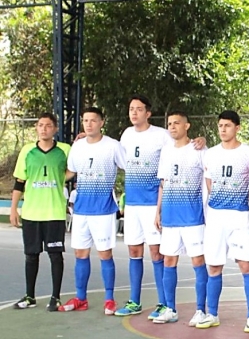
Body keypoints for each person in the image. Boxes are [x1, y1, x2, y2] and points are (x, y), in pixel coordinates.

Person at [115, 95, 204, 319]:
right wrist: (83, 138)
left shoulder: (162, 135)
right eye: (131, 108)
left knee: (157, 252)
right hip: (132, 203)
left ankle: (164, 303)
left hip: (153, 203)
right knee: (134, 251)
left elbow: (184, 148)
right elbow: (113, 154)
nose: (134, 112)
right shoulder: (126, 135)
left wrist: (201, 140)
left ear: (148, 113)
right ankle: (134, 301)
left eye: (139, 109)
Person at [60, 107, 126, 314]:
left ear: (101, 122)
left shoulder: (113, 146)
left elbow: (129, 168)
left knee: (105, 254)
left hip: (104, 209)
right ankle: (81, 298)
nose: (89, 124)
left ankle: (109, 299)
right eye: (85, 120)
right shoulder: (78, 146)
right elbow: (70, 172)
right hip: (81, 209)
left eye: (93, 120)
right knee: (80, 253)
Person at [199, 110, 249, 331]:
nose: (223, 129)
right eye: (220, 126)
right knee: (214, 266)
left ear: (237, 128)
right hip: (216, 216)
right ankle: (212, 314)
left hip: (239, 215)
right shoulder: (211, 154)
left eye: (227, 125)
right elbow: (209, 183)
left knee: (245, 264)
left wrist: (247, 204)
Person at [9, 113, 71, 311]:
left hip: (54, 212)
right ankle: (30, 296)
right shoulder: (27, 151)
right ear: (36, 127)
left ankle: (55, 297)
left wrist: (62, 177)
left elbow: (75, 167)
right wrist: (14, 209)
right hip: (31, 213)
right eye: (40, 125)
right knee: (31, 256)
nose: (44, 129)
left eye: (48, 125)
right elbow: (19, 182)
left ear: (55, 129)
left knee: (55, 255)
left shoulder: (65, 150)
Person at [152, 111, 208, 325]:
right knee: (168, 260)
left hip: (193, 216)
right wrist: (158, 211)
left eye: (177, 123)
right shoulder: (166, 151)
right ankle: (170, 309)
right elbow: (163, 183)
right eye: (169, 124)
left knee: (198, 261)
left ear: (187, 126)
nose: (172, 127)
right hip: (170, 215)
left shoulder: (199, 149)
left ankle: (200, 310)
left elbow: (210, 177)